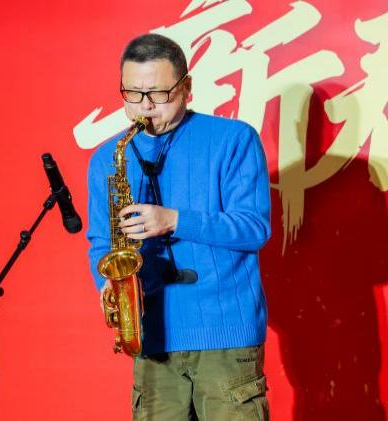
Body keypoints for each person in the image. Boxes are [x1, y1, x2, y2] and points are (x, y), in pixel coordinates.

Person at [86, 33, 272, 420]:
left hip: (225, 338)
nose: (145, 106)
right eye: (132, 94)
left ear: (186, 88)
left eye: (158, 93)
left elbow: (254, 227)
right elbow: (102, 242)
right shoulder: (107, 158)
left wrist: (173, 220)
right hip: (152, 338)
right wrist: (109, 283)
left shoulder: (234, 139)